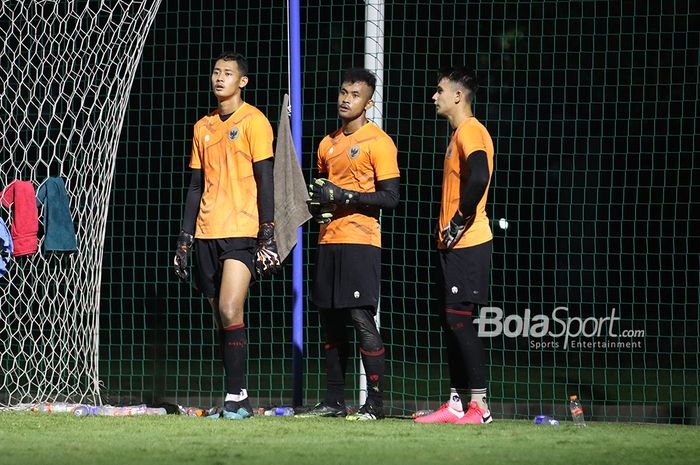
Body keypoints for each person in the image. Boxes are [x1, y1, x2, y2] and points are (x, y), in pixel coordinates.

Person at [173, 51, 281, 420]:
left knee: (230, 307)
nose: (220, 78)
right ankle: (235, 395)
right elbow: (194, 187)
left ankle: (237, 397)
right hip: (206, 232)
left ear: (242, 81)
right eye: (216, 72)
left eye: (228, 73)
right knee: (220, 318)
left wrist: (267, 232)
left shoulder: (255, 121)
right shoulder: (202, 126)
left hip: (242, 231)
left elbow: (265, 177)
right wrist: (184, 238)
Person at [300, 68, 400, 421]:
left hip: (361, 241)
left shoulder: (379, 142)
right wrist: (319, 206)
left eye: (354, 95)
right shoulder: (327, 143)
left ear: (368, 103)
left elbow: (391, 198)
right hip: (328, 241)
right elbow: (325, 197)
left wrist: (344, 195)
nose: (346, 99)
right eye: (343, 92)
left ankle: (374, 404)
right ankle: (333, 401)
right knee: (329, 321)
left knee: (360, 319)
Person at [414, 66, 494, 425]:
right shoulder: (458, 134)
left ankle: (480, 406)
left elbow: (479, 176)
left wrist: (459, 220)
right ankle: (456, 404)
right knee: (452, 322)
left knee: (461, 321)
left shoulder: (472, 131)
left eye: (440, 90)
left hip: (469, 242)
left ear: (458, 96)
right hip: (452, 245)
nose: (435, 96)